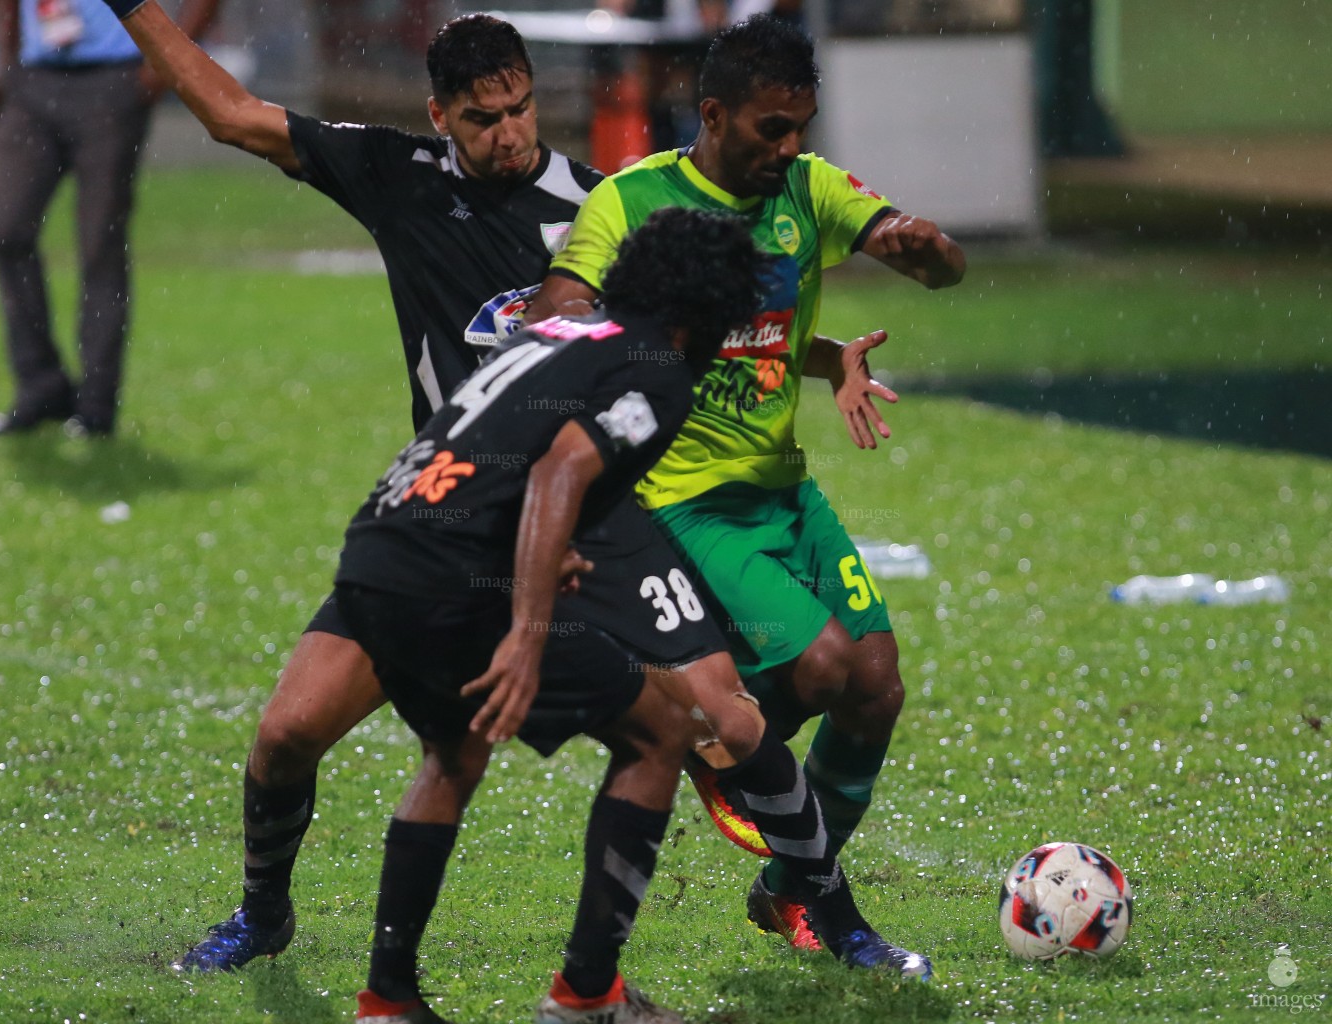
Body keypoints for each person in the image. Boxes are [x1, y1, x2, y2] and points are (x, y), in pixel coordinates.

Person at [89, 4, 934, 986]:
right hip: (454, 517)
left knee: (722, 717)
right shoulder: (396, 178)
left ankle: (827, 914)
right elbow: (232, 113)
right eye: (484, 118)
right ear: (440, 114)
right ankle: (265, 913)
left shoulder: (596, 202)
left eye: (523, 110)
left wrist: (821, 357)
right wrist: (134, 10)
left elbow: (705, 310)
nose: (510, 135)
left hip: (589, 514)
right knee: (292, 732)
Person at [336, 208, 919, 1024]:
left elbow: (493, 445)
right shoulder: (658, 368)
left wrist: (533, 559)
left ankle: (388, 999)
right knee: (658, 735)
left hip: (377, 553)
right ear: (708, 312)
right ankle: (585, 997)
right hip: (455, 578)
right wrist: (528, 640)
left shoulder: (566, 331)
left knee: (452, 756)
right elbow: (559, 473)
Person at [527, 13, 967, 954]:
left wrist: (918, 248)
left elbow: (907, 244)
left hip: (783, 490)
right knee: (822, 665)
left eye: (803, 124)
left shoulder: (807, 191)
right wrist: (569, 310)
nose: (792, 145)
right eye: (773, 127)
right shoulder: (635, 200)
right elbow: (561, 299)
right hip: (681, 498)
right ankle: (720, 737)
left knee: (877, 687)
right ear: (715, 113)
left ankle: (789, 890)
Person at [0, 0, 221, 438]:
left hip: (115, 79)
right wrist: (10, 60)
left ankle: (95, 407)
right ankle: (41, 386)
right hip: (36, 80)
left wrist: (159, 70)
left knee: (100, 244)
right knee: (5, 232)